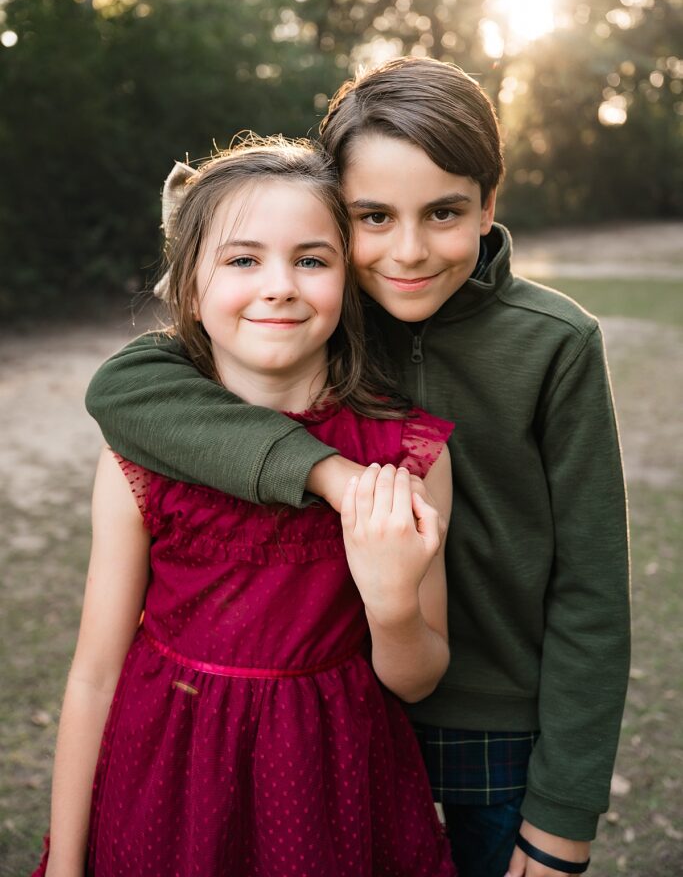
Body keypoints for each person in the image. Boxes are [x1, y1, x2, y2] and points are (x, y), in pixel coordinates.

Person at [85, 58, 631, 877]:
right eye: (372, 217)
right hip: (343, 722)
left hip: (501, 728)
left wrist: (563, 819)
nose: (406, 251)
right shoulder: (320, 309)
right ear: (338, 220)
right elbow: (126, 386)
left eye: (444, 212)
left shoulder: (553, 342)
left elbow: (592, 590)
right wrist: (332, 476)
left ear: (487, 207)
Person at [34, 138, 458, 877]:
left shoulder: (405, 457)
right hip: (166, 773)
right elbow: (94, 672)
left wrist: (391, 605)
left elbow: (417, 677)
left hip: (335, 780)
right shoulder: (141, 451)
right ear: (189, 287)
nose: (279, 285)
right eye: (242, 259)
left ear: (347, 281)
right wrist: (66, 863)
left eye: (311, 259)